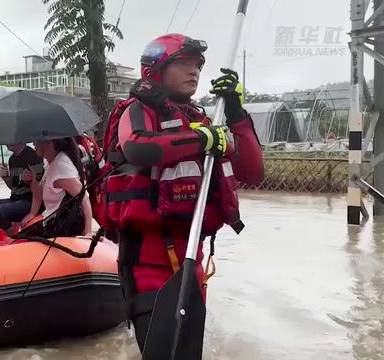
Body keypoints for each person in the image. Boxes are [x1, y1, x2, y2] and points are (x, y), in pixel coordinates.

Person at [104, 34, 264, 352]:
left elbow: (253, 172)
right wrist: (201, 141)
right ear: (156, 70)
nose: (194, 71)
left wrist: (235, 112)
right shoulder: (137, 111)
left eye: (197, 65)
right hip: (147, 264)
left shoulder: (203, 121)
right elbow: (136, 146)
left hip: (192, 262)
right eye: (184, 63)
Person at [20, 138, 93, 237]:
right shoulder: (49, 162)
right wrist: (31, 180)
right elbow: (40, 195)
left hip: (60, 227)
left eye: (36, 140)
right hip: (50, 221)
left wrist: (88, 233)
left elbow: (84, 198)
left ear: (48, 141)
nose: (33, 143)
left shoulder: (60, 167)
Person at [0, 144, 43, 232]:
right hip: (15, 198)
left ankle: (11, 239)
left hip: (30, 200)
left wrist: (27, 179)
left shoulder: (33, 157)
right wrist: (6, 178)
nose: (6, 143)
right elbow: (14, 187)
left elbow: (40, 184)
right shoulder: (12, 159)